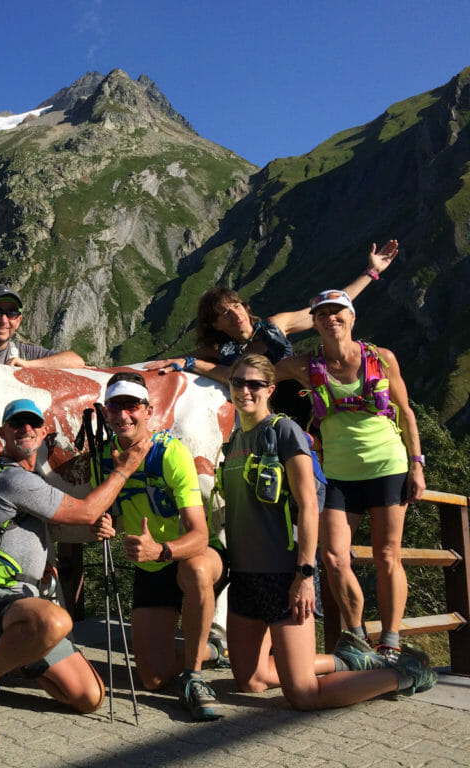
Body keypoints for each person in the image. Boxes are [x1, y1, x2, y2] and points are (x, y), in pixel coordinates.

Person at [221, 353, 435, 707]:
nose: (245, 390)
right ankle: (345, 662)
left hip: (282, 576)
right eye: (237, 382)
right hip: (244, 577)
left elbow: (309, 505)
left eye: (254, 384)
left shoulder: (284, 431)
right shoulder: (234, 442)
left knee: (304, 696)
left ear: (270, 389)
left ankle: (405, 674)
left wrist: (305, 574)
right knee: (250, 680)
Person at [0, 398, 132, 739]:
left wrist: (94, 527)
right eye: (17, 424)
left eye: (33, 423)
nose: (26, 429)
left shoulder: (32, 479)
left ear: (44, 432)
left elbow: (72, 520)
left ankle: (14, 654)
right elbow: (83, 511)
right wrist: (125, 469)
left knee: (89, 697)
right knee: (55, 619)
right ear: (3, 432)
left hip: (22, 604)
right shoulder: (12, 479)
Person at [276, 289, 426, 664]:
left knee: (387, 554)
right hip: (339, 473)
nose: (331, 318)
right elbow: (249, 374)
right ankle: (357, 635)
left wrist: (417, 464)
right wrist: (194, 365)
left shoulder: (382, 358)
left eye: (338, 311)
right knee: (333, 555)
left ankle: (390, 640)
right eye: (322, 313)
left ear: (352, 317)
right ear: (315, 321)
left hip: (387, 466)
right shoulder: (303, 365)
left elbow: (406, 413)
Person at [94, 372, 228, 721]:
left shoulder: (170, 453)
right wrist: (104, 521)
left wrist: (162, 550)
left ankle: (195, 677)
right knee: (153, 678)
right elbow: (105, 508)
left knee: (195, 570)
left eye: (131, 406)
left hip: (193, 554)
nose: (123, 415)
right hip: (151, 567)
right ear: (105, 412)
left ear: (148, 410)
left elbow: (199, 534)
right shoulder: (105, 458)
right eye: (115, 406)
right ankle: (211, 649)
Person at [145, 240, 398, 380]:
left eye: (237, 306)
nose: (236, 315)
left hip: (298, 398)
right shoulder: (215, 349)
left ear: (245, 307)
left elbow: (334, 305)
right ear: (215, 325)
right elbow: (176, 361)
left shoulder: (277, 325)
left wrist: (372, 272)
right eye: (225, 313)